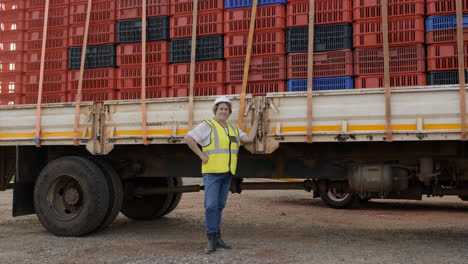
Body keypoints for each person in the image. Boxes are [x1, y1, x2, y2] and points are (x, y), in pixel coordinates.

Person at [184, 96, 260, 254]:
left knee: (219, 206)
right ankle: (211, 239)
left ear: (229, 112)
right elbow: (188, 138)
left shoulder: (233, 128)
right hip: (212, 173)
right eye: (221, 108)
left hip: (227, 173)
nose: (223, 111)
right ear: (215, 110)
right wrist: (201, 155)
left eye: (226, 109)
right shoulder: (208, 125)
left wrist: (256, 121)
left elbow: (248, 138)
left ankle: (218, 238)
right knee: (211, 206)